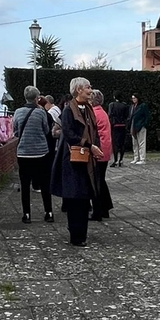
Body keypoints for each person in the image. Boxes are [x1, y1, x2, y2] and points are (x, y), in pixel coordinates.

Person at [50, 78, 103, 247]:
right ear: (79, 90)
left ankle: (82, 233)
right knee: (74, 197)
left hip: (86, 159)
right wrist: (90, 145)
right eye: (88, 87)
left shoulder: (88, 109)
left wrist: (96, 148)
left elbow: (94, 132)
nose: (90, 90)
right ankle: (76, 235)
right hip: (72, 160)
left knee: (84, 197)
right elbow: (69, 133)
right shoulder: (68, 110)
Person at [13, 86, 55, 223]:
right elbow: (46, 130)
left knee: (25, 184)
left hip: (24, 153)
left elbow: (15, 131)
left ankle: (26, 214)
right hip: (41, 153)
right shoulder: (41, 113)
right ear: (37, 98)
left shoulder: (18, 112)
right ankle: (48, 212)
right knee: (44, 183)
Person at [90, 90, 115, 221]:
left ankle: (98, 211)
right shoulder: (102, 112)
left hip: (97, 150)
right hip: (105, 149)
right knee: (101, 179)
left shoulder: (93, 113)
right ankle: (105, 208)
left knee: (96, 182)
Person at [107, 93, 132, 167]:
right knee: (122, 143)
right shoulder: (125, 105)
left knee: (115, 143)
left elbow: (109, 115)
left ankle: (115, 160)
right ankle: (121, 160)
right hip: (123, 125)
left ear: (114, 97)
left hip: (115, 125)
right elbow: (127, 116)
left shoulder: (112, 105)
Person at [129, 94, 151, 165]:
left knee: (141, 142)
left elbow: (147, 116)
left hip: (140, 126)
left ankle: (142, 158)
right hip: (133, 126)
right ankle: (136, 157)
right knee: (134, 143)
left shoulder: (142, 106)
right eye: (132, 98)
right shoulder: (132, 107)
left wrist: (144, 124)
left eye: (135, 98)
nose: (133, 99)